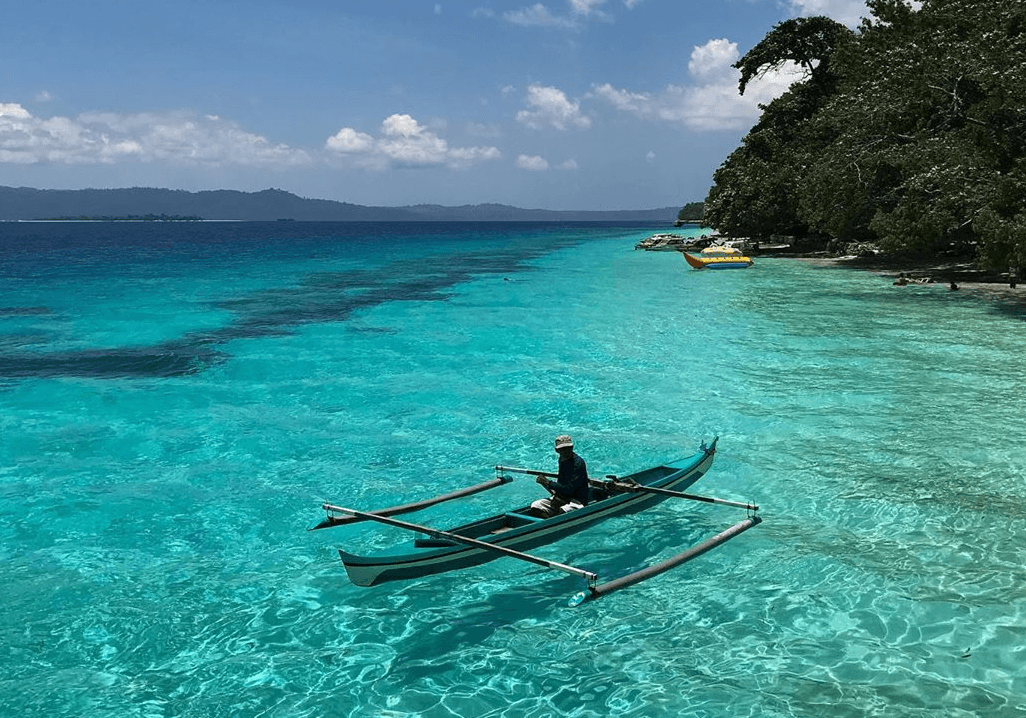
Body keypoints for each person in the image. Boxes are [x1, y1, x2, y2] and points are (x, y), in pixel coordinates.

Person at [530, 434, 590, 518]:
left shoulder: (578, 463)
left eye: (568, 448)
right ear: (557, 450)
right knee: (535, 506)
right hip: (562, 498)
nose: (566, 451)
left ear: (572, 447)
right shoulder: (562, 459)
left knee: (563, 511)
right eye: (562, 449)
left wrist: (548, 483)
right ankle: (549, 523)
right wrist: (555, 494)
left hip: (577, 500)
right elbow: (562, 482)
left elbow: (570, 489)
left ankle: (551, 522)